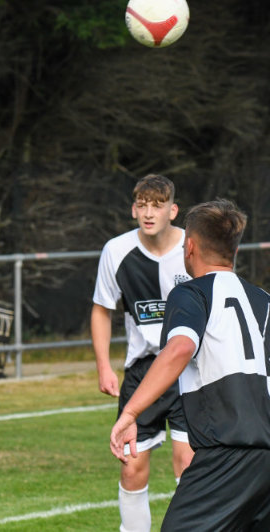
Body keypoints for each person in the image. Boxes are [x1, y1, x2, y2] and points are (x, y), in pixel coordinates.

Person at [111, 198, 270, 530]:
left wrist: (130, 412)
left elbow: (180, 348)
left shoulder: (191, 293)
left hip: (226, 454)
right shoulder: (263, 300)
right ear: (234, 250)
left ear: (190, 246)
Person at [90, 175, 194, 531]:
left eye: (157, 205)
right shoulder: (116, 251)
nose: (149, 213)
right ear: (133, 210)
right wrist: (104, 366)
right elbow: (101, 309)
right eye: (142, 205)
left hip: (189, 369)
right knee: (132, 466)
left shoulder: (193, 247)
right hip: (142, 373)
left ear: (173, 211)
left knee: (188, 464)